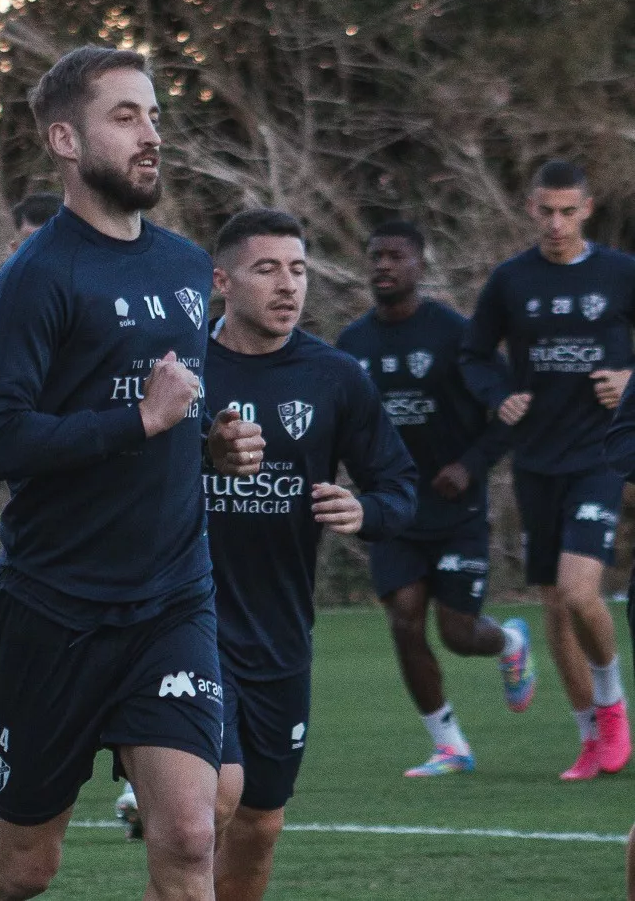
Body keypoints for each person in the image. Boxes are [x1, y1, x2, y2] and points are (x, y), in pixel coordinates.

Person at [0, 45, 263, 901]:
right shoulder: (36, 277)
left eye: (153, 115)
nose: (150, 134)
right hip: (55, 607)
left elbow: (179, 409)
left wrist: (210, 441)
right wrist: (138, 420)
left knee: (194, 833)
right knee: (23, 864)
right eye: (125, 117)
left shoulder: (186, 266)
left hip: (170, 597)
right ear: (65, 140)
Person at [204, 209, 416, 900]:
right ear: (223, 280)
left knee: (260, 819)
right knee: (207, 805)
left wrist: (367, 510)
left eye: (298, 269)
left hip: (278, 629)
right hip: (181, 622)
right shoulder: (182, 369)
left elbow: (399, 486)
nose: (288, 284)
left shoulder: (335, 376)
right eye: (267, 268)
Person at [336, 219, 534, 777]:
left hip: (455, 510)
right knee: (403, 616)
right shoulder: (352, 344)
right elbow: (340, 423)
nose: (383, 265)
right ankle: (448, 743)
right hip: (392, 507)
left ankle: (508, 640)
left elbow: (510, 413)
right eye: (375, 255)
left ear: (421, 263)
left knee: (457, 633)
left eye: (396, 256)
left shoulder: (456, 335)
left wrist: (470, 466)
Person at [460, 159, 633, 781]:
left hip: (601, 456)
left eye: (569, 211)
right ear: (530, 210)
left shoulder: (620, 274)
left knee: (582, 590)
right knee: (556, 603)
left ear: (587, 208)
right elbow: (473, 354)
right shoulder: (511, 281)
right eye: (546, 211)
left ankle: (613, 708)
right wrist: (496, 392)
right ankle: (589, 735)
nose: (557, 223)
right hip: (536, 460)